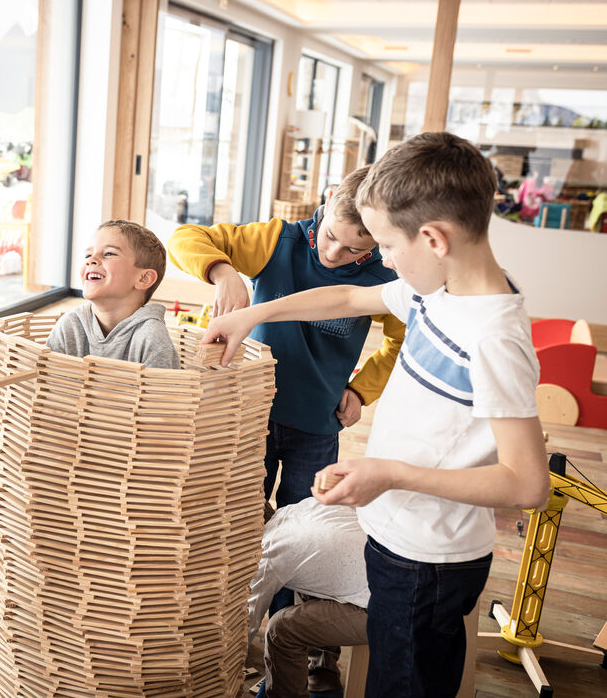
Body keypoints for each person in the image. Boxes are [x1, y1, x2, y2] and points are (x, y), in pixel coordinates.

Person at [204, 131, 550, 697]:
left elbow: (528, 482)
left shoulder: (492, 337)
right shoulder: (438, 291)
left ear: (434, 238)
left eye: (386, 246)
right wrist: (252, 315)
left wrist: (389, 473)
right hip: (394, 532)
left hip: (428, 562)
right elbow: (344, 299)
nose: (380, 262)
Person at [168, 165, 404, 513]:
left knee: (304, 519)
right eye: (331, 236)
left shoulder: (385, 276)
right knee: (239, 513)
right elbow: (183, 238)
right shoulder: (276, 240)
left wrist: (361, 390)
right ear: (330, 198)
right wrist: (223, 272)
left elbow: (400, 344)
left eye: (354, 249)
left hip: (319, 424)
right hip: (250, 416)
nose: (335, 253)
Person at [248, 498, 368, 698]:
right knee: (308, 580)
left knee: (281, 630)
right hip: (399, 580)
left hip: (385, 610)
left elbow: (247, 623)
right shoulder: (305, 506)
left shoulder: (270, 553)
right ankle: (321, 676)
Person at [46, 219, 179, 369]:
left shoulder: (152, 337)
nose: (92, 260)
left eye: (109, 254)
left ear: (143, 278)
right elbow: (48, 381)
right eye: (88, 255)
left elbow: (163, 391)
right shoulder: (69, 325)